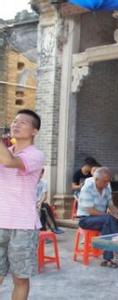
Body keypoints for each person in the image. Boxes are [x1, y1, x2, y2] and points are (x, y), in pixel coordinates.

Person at [0, 109, 45, 300]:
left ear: (34, 131)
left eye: (23, 123)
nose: (15, 125)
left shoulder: (36, 155)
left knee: (20, 279)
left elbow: (10, 162)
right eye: (14, 121)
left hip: (23, 226)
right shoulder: (5, 151)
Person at [77, 167, 118, 268]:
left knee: (108, 224)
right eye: (104, 181)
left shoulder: (107, 187)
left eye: (108, 181)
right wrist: (110, 215)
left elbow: (111, 206)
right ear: (96, 179)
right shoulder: (87, 188)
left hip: (101, 220)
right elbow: (91, 211)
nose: (107, 184)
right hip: (86, 219)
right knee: (108, 219)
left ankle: (108, 259)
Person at [36, 169, 64, 234]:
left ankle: (45, 231)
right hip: (30, 204)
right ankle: (53, 228)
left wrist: (39, 203)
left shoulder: (44, 182)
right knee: (44, 208)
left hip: (39, 203)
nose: (39, 175)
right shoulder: (30, 183)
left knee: (44, 207)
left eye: (41, 173)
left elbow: (45, 196)